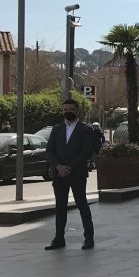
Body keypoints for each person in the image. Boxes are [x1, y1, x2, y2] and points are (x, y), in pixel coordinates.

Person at [44, 99, 96, 250]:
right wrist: (59, 167)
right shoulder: (57, 129)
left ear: (77, 111)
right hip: (59, 175)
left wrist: (69, 167)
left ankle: (89, 238)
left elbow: (86, 152)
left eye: (71, 109)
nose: (68, 111)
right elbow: (49, 151)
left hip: (77, 174)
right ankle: (59, 238)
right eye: (65, 109)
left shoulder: (85, 130)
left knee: (82, 205)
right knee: (60, 207)